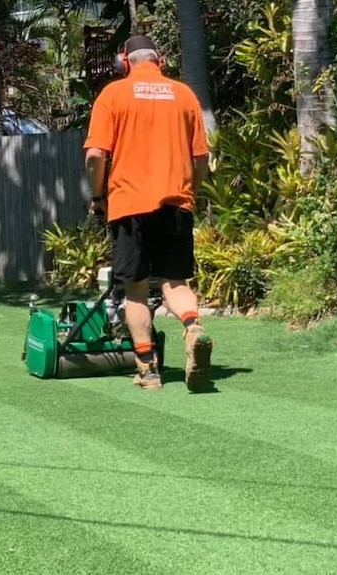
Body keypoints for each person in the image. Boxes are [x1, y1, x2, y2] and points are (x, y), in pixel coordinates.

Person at [83, 35, 213, 392]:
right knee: (175, 281)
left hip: (129, 204)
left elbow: (95, 155)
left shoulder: (112, 95)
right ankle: (193, 328)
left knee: (136, 290)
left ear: (124, 61)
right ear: (161, 59)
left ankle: (148, 369)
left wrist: (98, 196)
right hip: (176, 203)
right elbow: (201, 158)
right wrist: (192, 192)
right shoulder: (184, 95)